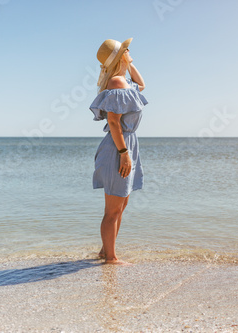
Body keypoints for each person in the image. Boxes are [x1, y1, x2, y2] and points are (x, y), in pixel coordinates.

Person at [89, 38, 148, 265]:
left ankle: (106, 251)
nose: (130, 51)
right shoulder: (116, 83)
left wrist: (126, 62)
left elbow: (141, 84)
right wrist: (124, 152)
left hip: (126, 144)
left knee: (121, 205)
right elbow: (113, 122)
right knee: (113, 209)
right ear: (120, 55)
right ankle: (110, 258)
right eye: (126, 49)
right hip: (118, 147)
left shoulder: (124, 82)